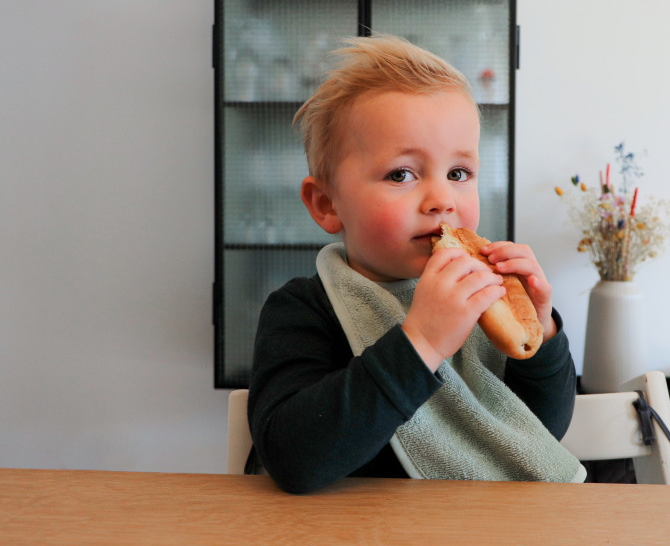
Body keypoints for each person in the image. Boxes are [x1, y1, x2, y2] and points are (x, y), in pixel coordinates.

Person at [247, 35, 585, 493]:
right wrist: (422, 341)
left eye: (459, 174)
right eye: (402, 174)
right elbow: (294, 460)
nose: (442, 199)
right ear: (327, 204)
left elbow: (540, 430)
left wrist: (539, 333)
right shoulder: (306, 310)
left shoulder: (485, 295)